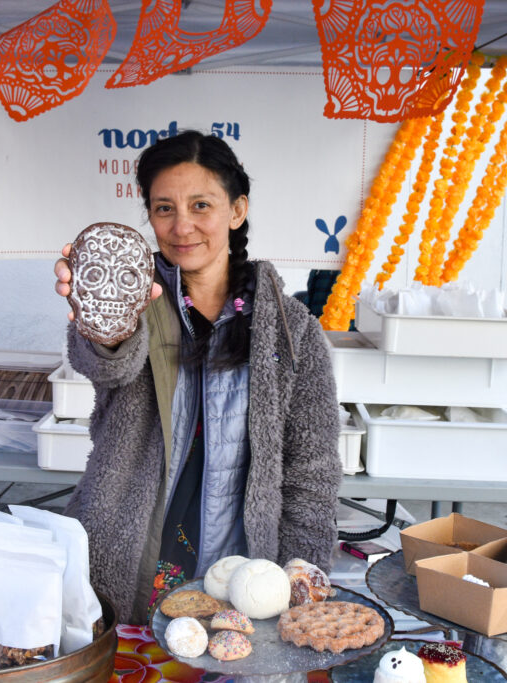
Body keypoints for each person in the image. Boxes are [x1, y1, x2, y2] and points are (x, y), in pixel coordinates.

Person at [53, 130, 341, 625]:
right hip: (131, 552)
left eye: (201, 205)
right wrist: (99, 322)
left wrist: (300, 575)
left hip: (242, 570)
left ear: (236, 210)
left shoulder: (293, 332)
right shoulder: (136, 303)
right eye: (164, 208)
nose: (182, 225)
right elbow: (105, 362)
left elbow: (311, 471)